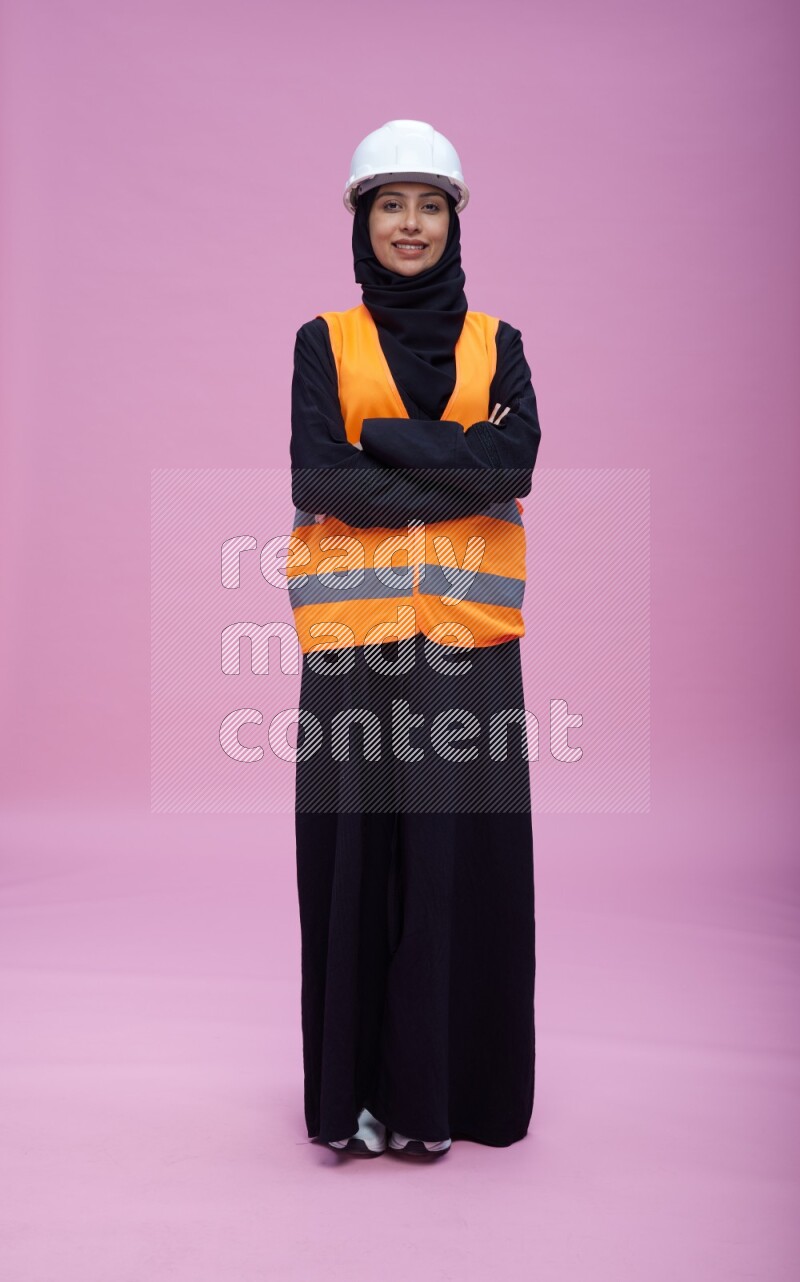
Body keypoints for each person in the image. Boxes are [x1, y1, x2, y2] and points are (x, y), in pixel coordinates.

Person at [288, 120, 542, 1159]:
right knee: (354, 862)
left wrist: (382, 445)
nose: (409, 223)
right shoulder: (322, 341)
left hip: (469, 647)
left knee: (454, 864)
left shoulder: (499, 343)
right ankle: (352, 1098)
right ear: (361, 219)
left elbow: (514, 466)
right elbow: (321, 479)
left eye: (428, 205)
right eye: (389, 204)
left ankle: (440, 1101)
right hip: (354, 647)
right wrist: (453, 463)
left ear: (453, 222)